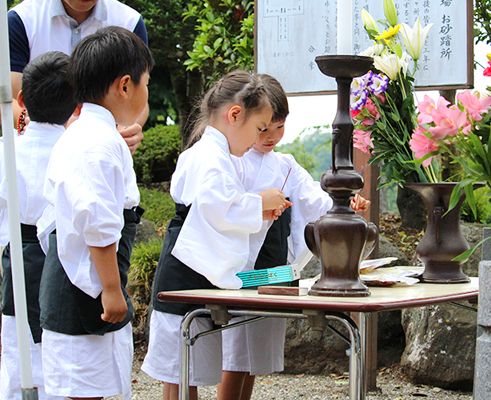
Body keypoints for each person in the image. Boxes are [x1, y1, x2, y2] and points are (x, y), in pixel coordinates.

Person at [218, 74, 370, 400]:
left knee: (253, 357)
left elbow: (314, 197)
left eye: (279, 127)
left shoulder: (285, 165)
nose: (272, 136)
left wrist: (343, 202)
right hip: (240, 268)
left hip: (274, 269)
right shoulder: (232, 161)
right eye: (263, 128)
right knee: (234, 355)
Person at [141, 71, 291, 400]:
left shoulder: (214, 154)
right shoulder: (209, 156)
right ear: (235, 115)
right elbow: (215, 206)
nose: (258, 139)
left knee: (187, 370)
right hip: (183, 275)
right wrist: (258, 203)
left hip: (194, 273)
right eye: (259, 128)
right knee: (181, 372)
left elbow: (221, 209)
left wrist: (256, 209)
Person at [38, 26, 153, 400]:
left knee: (92, 388)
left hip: (83, 278)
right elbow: (99, 223)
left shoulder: (86, 134)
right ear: (124, 86)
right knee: (84, 391)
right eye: (145, 83)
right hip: (85, 287)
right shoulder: (96, 143)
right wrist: (111, 289)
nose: (146, 92)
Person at [0, 51, 79, 400]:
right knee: (59, 343)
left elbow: (3, 198)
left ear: (22, 99)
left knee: (19, 343)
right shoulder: (74, 148)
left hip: (20, 254)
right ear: (77, 106)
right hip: (63, 257)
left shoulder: (8, 149)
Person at [0, 0, 149, 153]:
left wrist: (130, 128)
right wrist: (29, 122)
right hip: (34, 157)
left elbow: (139, 94)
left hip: (102, 153)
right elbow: (3, 99)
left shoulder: (130, 22)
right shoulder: (20, 20)